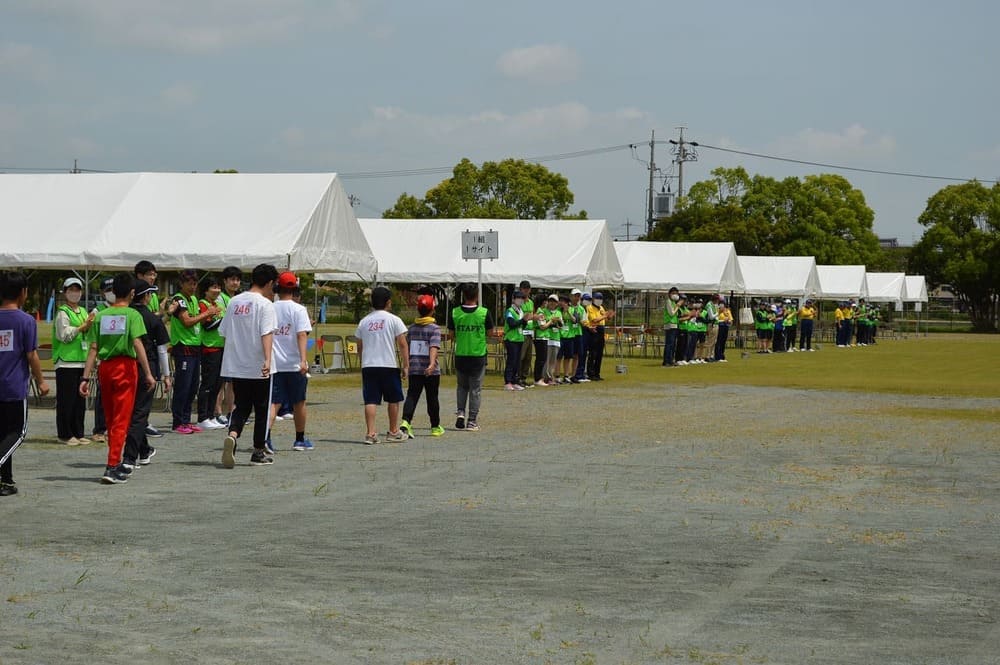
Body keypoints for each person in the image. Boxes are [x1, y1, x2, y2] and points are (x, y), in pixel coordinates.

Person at [80, 273, 156, 484]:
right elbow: (138, 344)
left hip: (105, 368)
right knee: (122, 419)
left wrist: (85, 378)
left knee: (112, 418)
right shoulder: (133, 315)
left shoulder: (102, 315)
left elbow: (93, 349)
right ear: (132, 293)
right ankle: (113, 465)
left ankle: (113, 460)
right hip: (125, 367)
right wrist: (148, 373)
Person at [219, 263, 279, 468]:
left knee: (241, 406)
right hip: (258, 365)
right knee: (262, 408)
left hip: (237, 364)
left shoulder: (234, 301)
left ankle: (233, 435)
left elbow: (224, 331)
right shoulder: (265, 305)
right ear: (270, 283)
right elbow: (266, 333)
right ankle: (258, 451)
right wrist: (268, 359)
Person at [0, 271, 49, 496]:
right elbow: (32, 355)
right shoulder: (26, 321)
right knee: (18, 432)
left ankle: (6, 481)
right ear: (23, 293)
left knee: (2, 434)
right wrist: (41, 381)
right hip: (13, 387)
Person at [122, 280, 171, 470]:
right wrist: (167, 375)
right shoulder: (152, 318)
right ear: (147, 296)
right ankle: (131, 455)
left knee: (131, 412)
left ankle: (143, 450)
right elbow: (161, 350)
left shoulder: (124, 315)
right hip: (146, 367)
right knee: (140, 414)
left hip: (125, 365)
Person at [356, 286, 409, 444]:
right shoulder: (394, 319)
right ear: (388, 302)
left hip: (369, 365)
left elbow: (359, 345)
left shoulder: (364, 321)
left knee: (370, 400)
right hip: (388, 365)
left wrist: (363, 360)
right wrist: (406, 365)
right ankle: (393, 431)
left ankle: (370, 433)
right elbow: (402, 344)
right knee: (393, 399)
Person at [268, 271, 314, 452]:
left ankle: (266, 437)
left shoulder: (270, 307)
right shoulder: (299, 309)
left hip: (274, 364)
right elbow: (302, 334)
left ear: (277, 288)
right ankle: (299, 439)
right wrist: (303, 360)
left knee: (273, 403)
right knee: (299, 402)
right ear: (295, 288)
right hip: (294, 364)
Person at [170, 270, 219, 434]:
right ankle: (177, 422)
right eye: (189, 283)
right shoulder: (178, 299)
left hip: (195, 345)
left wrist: (211, 314)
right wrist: (206, 313)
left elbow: (198, 320)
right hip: (183, 346)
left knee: (192, 385)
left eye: (195, 283)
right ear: (182, 284)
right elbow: (187, 321)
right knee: (183, 385)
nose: (193, 287)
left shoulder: (193, 299)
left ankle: (186, 419)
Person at [52, 276, 94, 444]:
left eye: (77, 290)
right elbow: (64, 335)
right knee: (66, 400)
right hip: (66, 362)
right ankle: (65, 433)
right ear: (65, 292)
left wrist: (88, 326)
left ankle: (78, 432)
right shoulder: (63, 312)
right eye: (71, 290)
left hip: (81, 361)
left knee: (79, 399)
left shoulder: (83, 311)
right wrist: (82, 327)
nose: (75, 293)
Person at [449, 283, 493, 431]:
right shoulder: (484, 313)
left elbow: (451, 335)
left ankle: (460, 412)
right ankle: (472, 420)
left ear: (463, 295)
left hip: (461, 354)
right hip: (477, 355)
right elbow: (490, 332)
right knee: (475, 389)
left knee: (462, 387)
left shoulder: (455, 312)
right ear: (477, 296)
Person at [400, 294, 443, 437]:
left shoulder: (411, 328)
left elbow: (406, 346)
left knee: (412, 395)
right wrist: (431, 364)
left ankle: (406, 421)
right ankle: (435, 426)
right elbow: (434, 347)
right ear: (432, 310)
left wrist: (405, 365)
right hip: (431, 371)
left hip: (415, 368)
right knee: (432, 398)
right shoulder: (434, 328)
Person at [196, 275, 227, 430]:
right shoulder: (204, 304)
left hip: (220, 347)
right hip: (209, 347)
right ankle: (202, 416)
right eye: (213, 287)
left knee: (217, 384)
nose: (217, 290)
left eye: (218, 287)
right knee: (208, 383)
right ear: (206, 290)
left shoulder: (216, 305)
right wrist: (224, 320)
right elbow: (207, 326)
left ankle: (211, 415)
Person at [215, 266, 243, 426]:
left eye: (237, 279)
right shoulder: (220, 298)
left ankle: (232, 411)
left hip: (235, 345)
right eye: (232, 279)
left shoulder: (238, 298)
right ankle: (217, 411)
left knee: (232, 381)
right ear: (225, 281)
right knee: (221, 381)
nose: (235, 282)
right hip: (221, 344)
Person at [89, 276, 116, 444]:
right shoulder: (97, 311)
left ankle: (113, 427)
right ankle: (99, 429)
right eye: (108, 290)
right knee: (103, 396)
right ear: (102, 293)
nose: (111, 293)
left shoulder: (123, 309)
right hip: (103, 359)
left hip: (119, 358)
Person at [502, 290, 528, 391]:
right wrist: (523, 320)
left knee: (517, 361)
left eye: (522, 298)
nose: (520, 300)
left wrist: (525, 321)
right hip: (511, 339)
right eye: (518, 298)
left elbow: (523, 325)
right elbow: (512, 323)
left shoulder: (521, 311)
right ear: (513, 299)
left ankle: (514, 381)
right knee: (511, 360)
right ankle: (508, 382)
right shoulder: (510, 311)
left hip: (519, 338)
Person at [585, 292, 614, 380]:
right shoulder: (589, 307)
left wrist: (609, 316)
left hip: (601, 329)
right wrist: (605, 315)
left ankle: (597, 373)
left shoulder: (601, 307)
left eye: (601, 298)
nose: (599, 300)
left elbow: (604, 318)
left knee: (599, 353)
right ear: (593, 299)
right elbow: (594, 320)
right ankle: (591, 373)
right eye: (597, 298)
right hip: (594, 330)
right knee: (593, 353)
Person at [515, 280, 535, 387]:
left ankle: (523, 377)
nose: (526, 291)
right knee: (521, 356)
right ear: (520, 289)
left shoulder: (531, 302)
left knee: (528, 357)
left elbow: (531, 314)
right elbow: (523, 316)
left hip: (530, 332)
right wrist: (532, 316)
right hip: (522, 331)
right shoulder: (519, 302)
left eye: (528, 289)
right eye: (524, 289)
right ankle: (517, 377)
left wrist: (532, 316)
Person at [573, 293, 592, 382]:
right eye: (586, 300)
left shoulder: (586, 309)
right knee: (580, 354)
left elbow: (585, 322)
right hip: (580, 332)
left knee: (583, 353)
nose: (587, 302)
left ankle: (581, 373)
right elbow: (583, 322)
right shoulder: (580, 308)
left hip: (585, 331)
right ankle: (578, 374)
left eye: (589, 300)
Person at [662, 287, 681, 367]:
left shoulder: (673, 302)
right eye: (673, 293)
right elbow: (671, 313)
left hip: (674, 325)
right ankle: (666, 361)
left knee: (673, 344)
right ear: (669, 294)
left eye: (676, 293)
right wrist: (678, 306)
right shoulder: (668, 302)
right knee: (669, 344)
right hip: (669, 325)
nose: (675, 295)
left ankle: (670, 360)